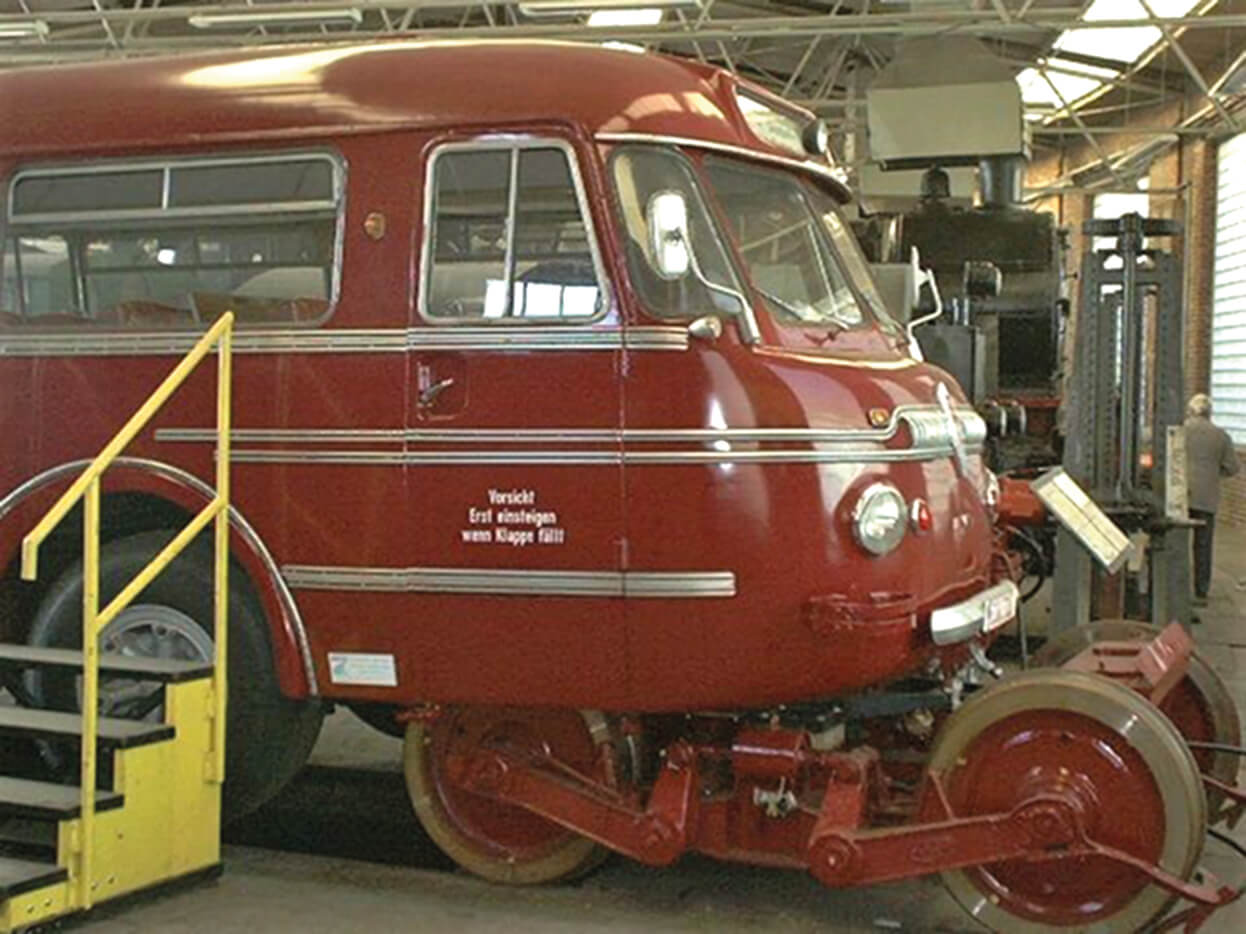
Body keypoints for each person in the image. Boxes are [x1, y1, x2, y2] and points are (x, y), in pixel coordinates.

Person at [1185, 393, 1240, 605]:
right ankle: (1201, 590)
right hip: (1207, 497)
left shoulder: (1181, 431)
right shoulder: (1221, 436)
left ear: (1190, 411)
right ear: (1210, 413)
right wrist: (1215, 474)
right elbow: (1233, 467)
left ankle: (1178, 587)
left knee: (1176, 542)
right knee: (1203, 544)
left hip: (1180, 495)